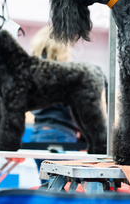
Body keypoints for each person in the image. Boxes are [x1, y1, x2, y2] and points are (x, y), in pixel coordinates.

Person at [29, 26, 80, 173]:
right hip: (59, 135)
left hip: (37, 133)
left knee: (48, 183)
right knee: (60, 186)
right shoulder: (64, 73)